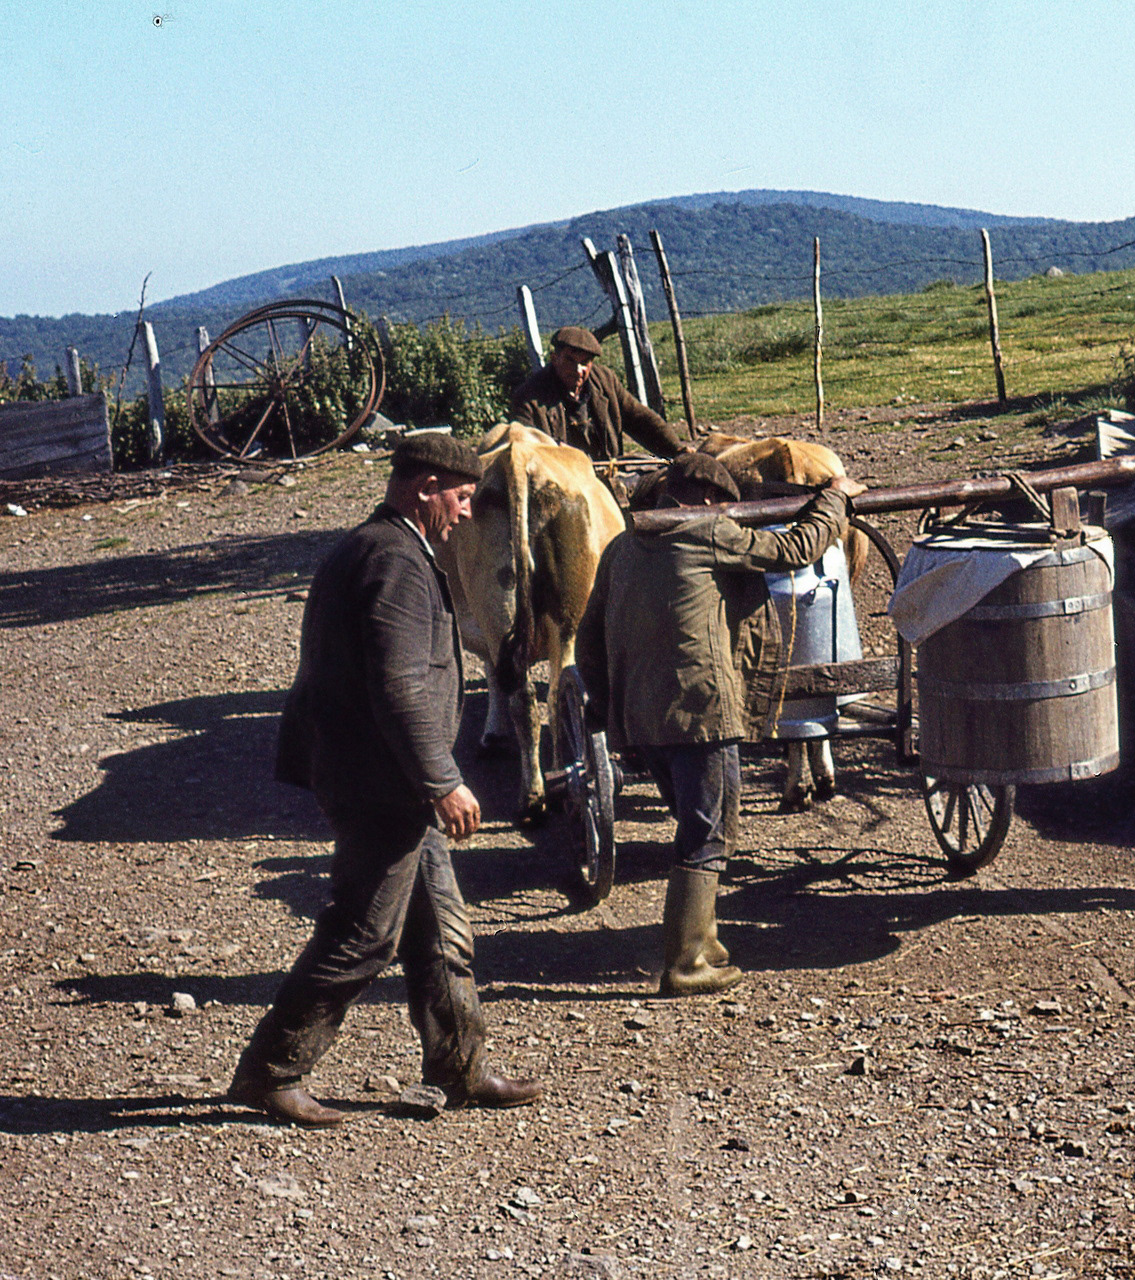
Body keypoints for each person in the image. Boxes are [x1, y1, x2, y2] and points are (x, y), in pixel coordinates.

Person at [228, 434, 543, 1127]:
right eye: (460, 499)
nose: (464, 515)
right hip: (381, 781)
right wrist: (442, 779)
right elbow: (399, 683)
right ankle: (271, 1072)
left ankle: (460, 1067)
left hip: (384, 775)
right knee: (365, 932)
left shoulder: (382, 547)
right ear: (425, 486)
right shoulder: (393, 558)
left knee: (441, 931)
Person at [575, 452, 863, 995]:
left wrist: (608, 711)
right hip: (701, 712)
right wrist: (835, 498)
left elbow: (588, 639)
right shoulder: (706, 531)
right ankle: (686, 964)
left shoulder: (621, 547)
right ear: (708, 500)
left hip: (643, 718)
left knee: (696, 826)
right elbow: (793, 550)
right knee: (709, 831)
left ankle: (704, 944)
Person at [508, 325, 684, 463]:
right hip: (560, 477)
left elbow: (640, 419)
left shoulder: (605, 381)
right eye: (570, 360)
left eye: (585, 362)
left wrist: (677, 451)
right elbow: (526, 452)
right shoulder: (529, 397)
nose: (578, 370)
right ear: (555, 358)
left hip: (606, 472)